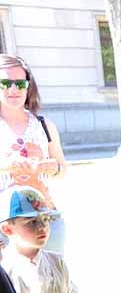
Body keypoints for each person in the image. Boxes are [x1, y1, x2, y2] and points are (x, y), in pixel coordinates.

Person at [0, 54, 69, 254]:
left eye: (20, 83)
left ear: (28, 86)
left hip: (46, 220)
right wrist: (5, 165)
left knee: (53, 281)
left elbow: (63, 168)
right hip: (5, 225)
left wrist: (53, 167)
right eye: (5, 83)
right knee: (10, 285)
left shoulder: (44, 125)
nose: (13, 89)